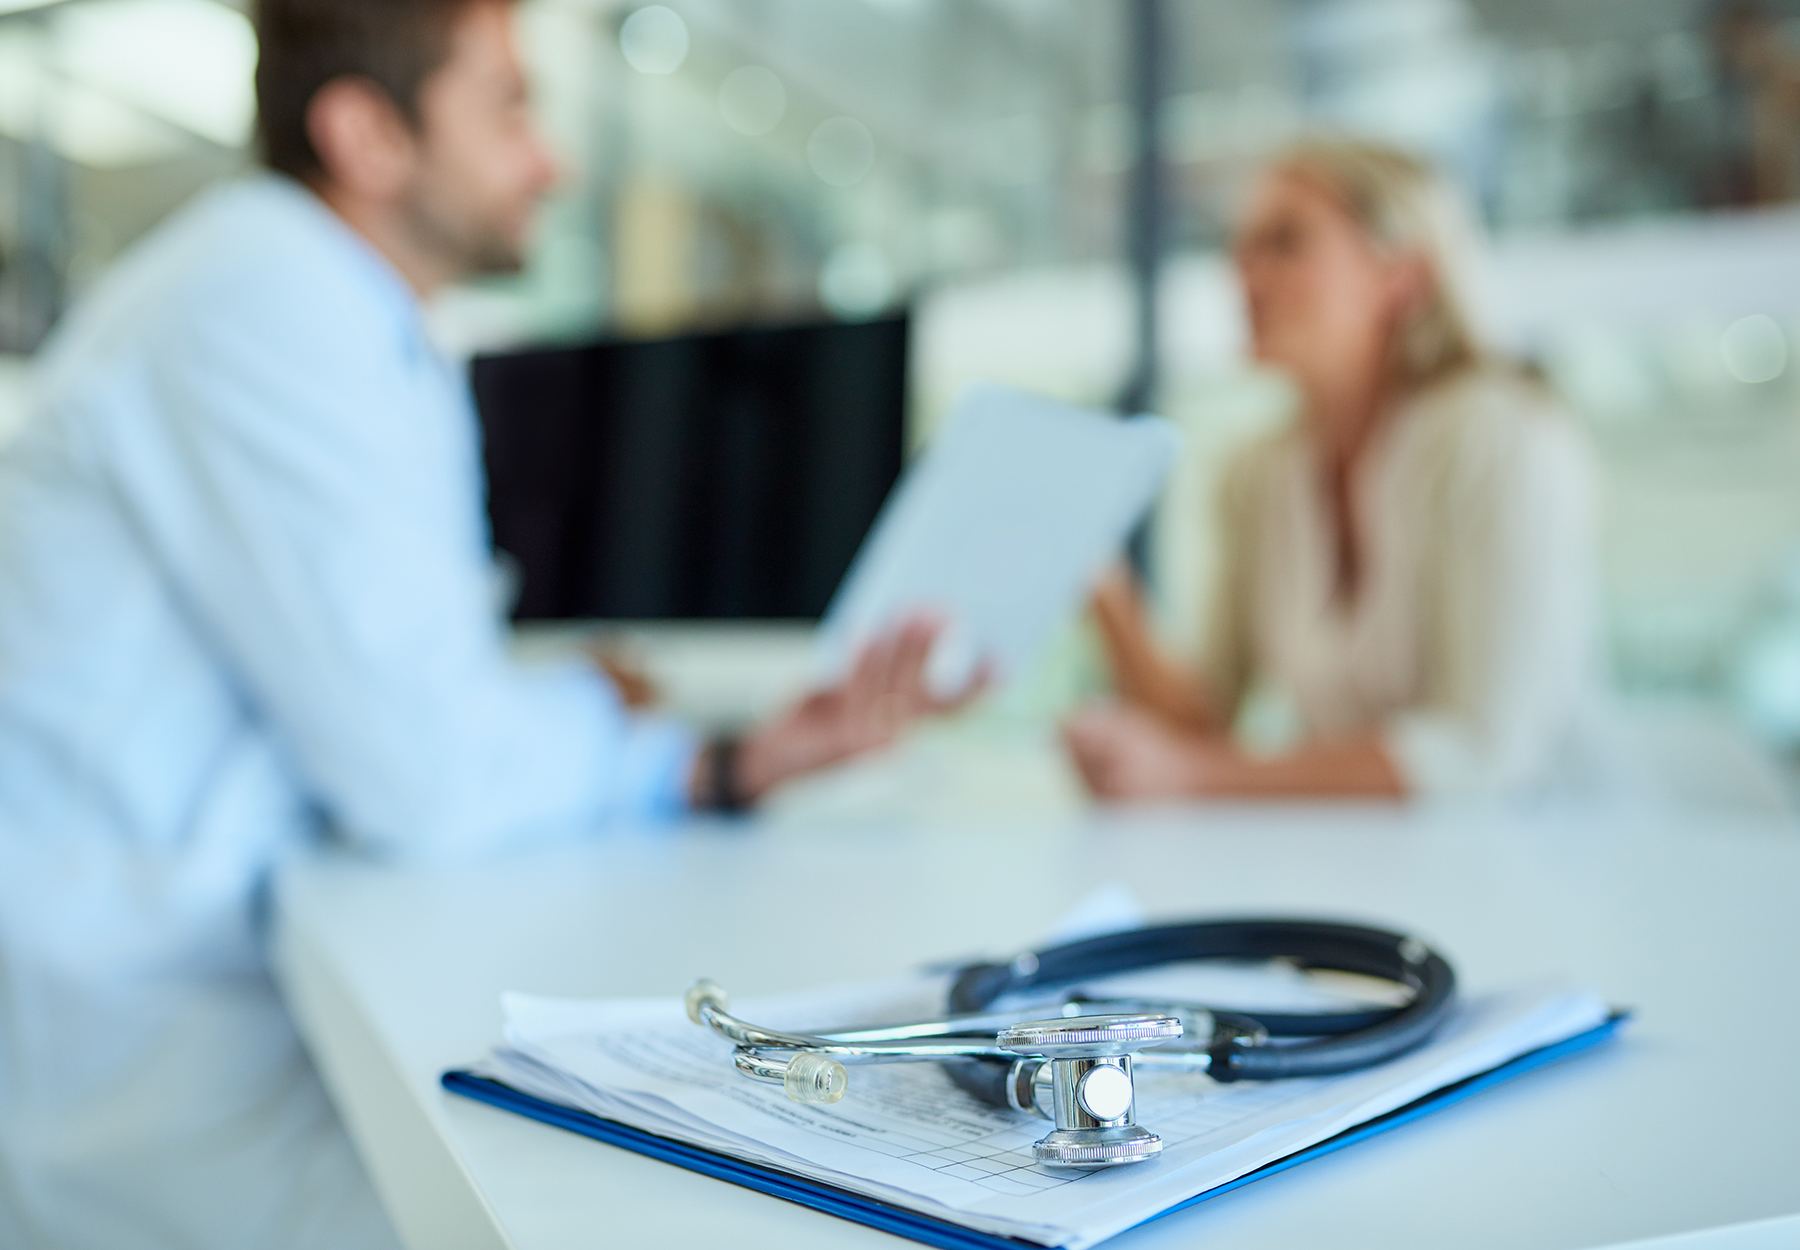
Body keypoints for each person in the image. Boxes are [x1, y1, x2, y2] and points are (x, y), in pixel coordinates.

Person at [0, 1, 975, 1246]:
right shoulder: (269, 297)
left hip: (197, 997)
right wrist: (695, 756)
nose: (552, 160)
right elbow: (433, 772)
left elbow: (426, 695)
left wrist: (708, 754)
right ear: (366, 134)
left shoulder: (340, 309)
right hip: (148, 1071)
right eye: (509, 104)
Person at [1064, 138, 1606, 803]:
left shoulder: (1499, 436)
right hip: (1362, 869)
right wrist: (1099, 582)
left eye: (1284, 242)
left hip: (1542, 867)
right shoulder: (1258, 474)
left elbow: (1483, 751)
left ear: (1401, 275)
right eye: (1239, 245)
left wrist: (1197, 777)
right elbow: (1205, 723)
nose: (1242, 272)